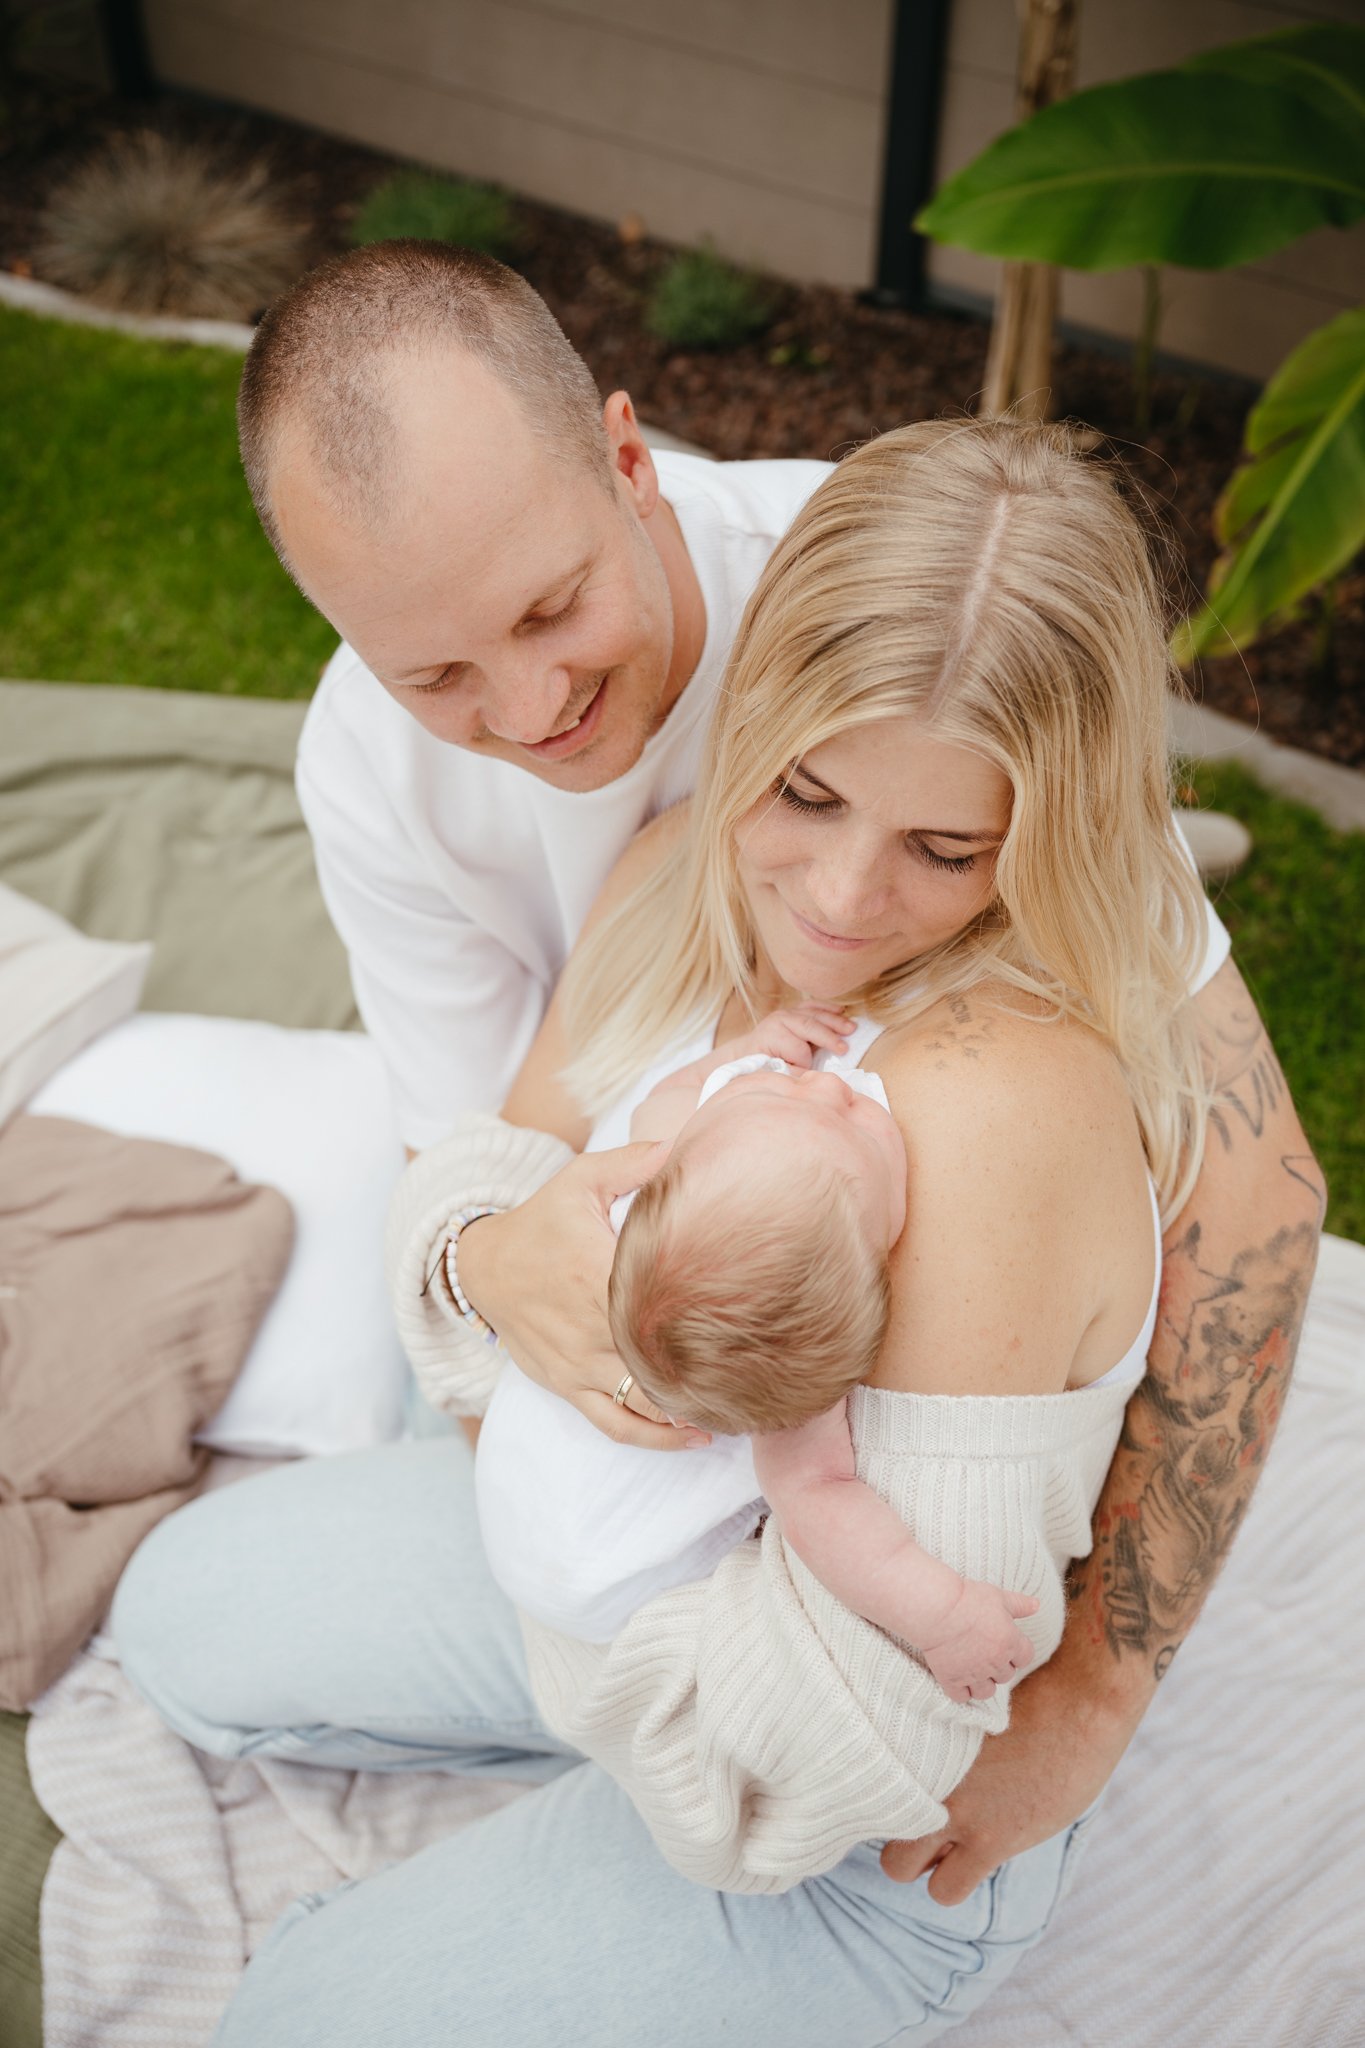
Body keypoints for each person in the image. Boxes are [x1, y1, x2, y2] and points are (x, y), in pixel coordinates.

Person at [107, 253, 1322, 2041]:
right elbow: (476, 1185)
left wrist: (1087, 1695)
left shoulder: (923, 675)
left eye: (937, 847)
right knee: (180, 1622)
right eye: (439, 667)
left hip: (812, 1765)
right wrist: (505, 1322)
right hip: (660, 1582)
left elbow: (1259, 1198)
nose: (527, 717)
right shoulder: (664, 846)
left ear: (630, 462)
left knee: (293, 2011)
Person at [474, 1000, 1041, 1706]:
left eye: (850, 1119)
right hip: (605, 1576)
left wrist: (740, 1063)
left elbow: (672, 1101)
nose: (827, 1086)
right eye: (773, 1089)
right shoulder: (663, 1214)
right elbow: (823, 1510)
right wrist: (943, 1614)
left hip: (501, 1493)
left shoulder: (771, 1317)